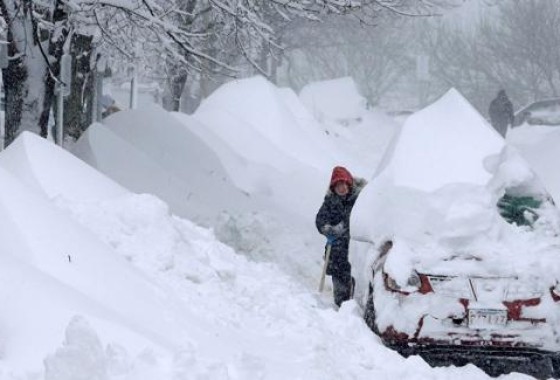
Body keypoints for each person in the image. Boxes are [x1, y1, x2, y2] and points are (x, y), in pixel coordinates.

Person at [316, 166, 367, 307]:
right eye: (337, 186)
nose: (341, 188)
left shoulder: (360, 199)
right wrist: (326, 228)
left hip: (356, 249)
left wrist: (343, 227)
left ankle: (357, 311)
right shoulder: (330, 201)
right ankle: (341, 312)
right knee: (340, 287)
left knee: (357, 284)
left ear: (349, 183)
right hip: (337, 251)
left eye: (343, 184)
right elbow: (320, 219)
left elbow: (361, 220)